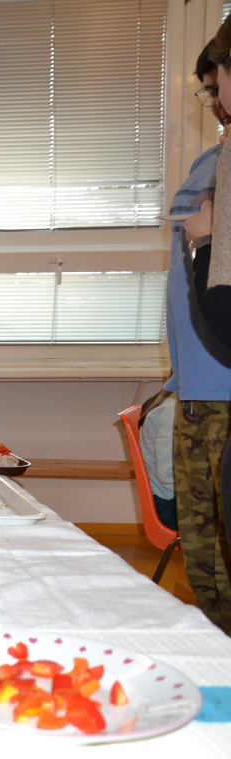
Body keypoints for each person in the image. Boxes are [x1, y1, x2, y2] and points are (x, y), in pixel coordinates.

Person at [162, 40, 231, 637]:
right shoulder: (210, 160)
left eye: (217, 84)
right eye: (205, 89)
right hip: (196, 385)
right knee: (202, 551)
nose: (212, 99)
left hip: (226, 387)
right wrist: (178, 375)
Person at [139, 389, 178, 531]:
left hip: (172, 499)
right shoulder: (171, 410)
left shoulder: (174, 405)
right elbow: (168, 476)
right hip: (169, 505)